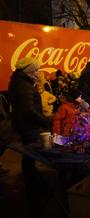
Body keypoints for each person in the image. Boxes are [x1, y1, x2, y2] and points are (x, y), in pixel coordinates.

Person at [8, 57, 51, 190]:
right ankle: (32, 183)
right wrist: (44, 121)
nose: (38, 72)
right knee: (30, 153)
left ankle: (32, 179)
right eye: (36, 70)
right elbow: (28, 109)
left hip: (23, 122)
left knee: (29, 152)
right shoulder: (23, 85)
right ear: (29, 70)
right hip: (27, 124)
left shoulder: (19, 81)